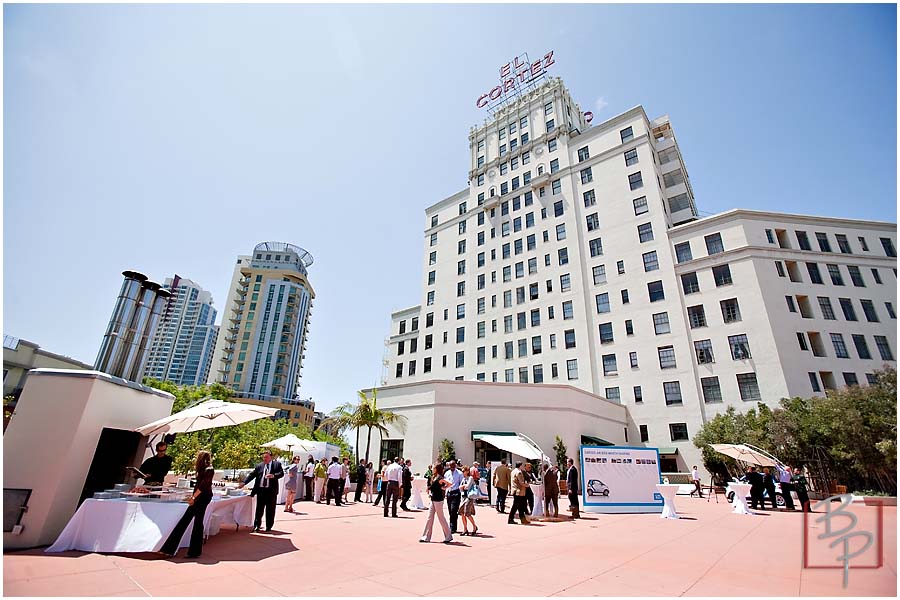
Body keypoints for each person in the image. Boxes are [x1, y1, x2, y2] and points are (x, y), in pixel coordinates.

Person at [160, 450, 214, 558]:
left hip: (202, 497)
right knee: (190, 521)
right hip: (201, 497)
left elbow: (203, 486)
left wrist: (193, 497)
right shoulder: (205, 469)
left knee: (194, 522)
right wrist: (193, 497)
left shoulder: (208, 469)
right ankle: (171, 549)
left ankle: (177, 549)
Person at [240, 450, 284, 532]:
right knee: (259, 509)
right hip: (261, 490)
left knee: (270, 510)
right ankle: (257, 525)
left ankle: (269, 527)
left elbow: (281, 473)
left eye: (266, 457)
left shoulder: (277, 465)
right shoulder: (259, 466)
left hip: (271, 491)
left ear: (271, 457)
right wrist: (244, 482)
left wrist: (273, 476)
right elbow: (252, 475)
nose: (265, 459)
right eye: (263, 457)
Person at [419, 462, 453, 544]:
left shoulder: (440, 478)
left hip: (438, 500)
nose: (432, 469)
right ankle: (426, 537)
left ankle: (448, 536)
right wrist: (429, 489)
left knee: (441, 518)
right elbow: (432, 486)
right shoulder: (433, 477)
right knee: (430, 517)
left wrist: (444, 488)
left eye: (434, 468)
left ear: (437, 469)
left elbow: (450, 484)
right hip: (433, 499)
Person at [443, 460, 464, 533]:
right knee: (450, 511)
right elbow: (445, 483)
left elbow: (461, 483)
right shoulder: (447, 473)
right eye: (450, 466)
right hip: (449, 493)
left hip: (456, 493)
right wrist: (445, 492)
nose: (451, 467)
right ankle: (452, 525)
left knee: (453, 510)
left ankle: (453, 527)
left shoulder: (459, 473)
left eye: (453, 465)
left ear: (455, 465)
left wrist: (461, 494)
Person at [458, 466, 480, 536]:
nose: (462, 472)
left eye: (463, 471)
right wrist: (463, 486)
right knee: (462, 513)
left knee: (467, 513)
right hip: (463, 497)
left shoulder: (470, 478)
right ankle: (465, 529)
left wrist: (463, 486)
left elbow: (467, 487)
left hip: (469, 497)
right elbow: (460, 488)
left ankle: (474, 526)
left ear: (467, 471)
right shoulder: (463, 478)